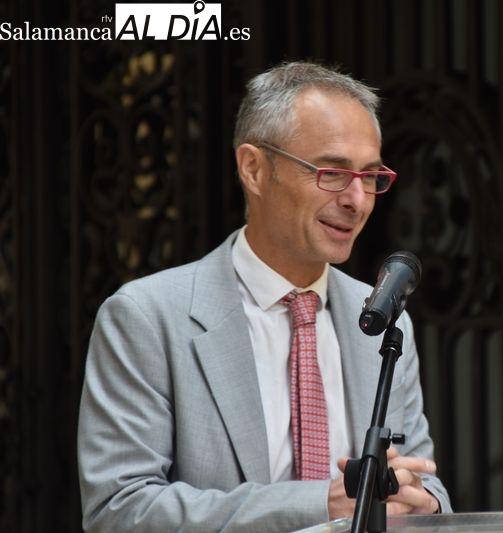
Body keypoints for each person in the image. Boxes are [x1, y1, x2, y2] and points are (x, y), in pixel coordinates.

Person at [77, 61, 451, 532]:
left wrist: (423, 504)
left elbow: (425, 484)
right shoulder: (146, 317)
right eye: (332, 173)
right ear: (253, 168)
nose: (357, 200)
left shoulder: (383, 319)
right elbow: (119, 512)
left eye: (371, 176)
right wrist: (317, 505)